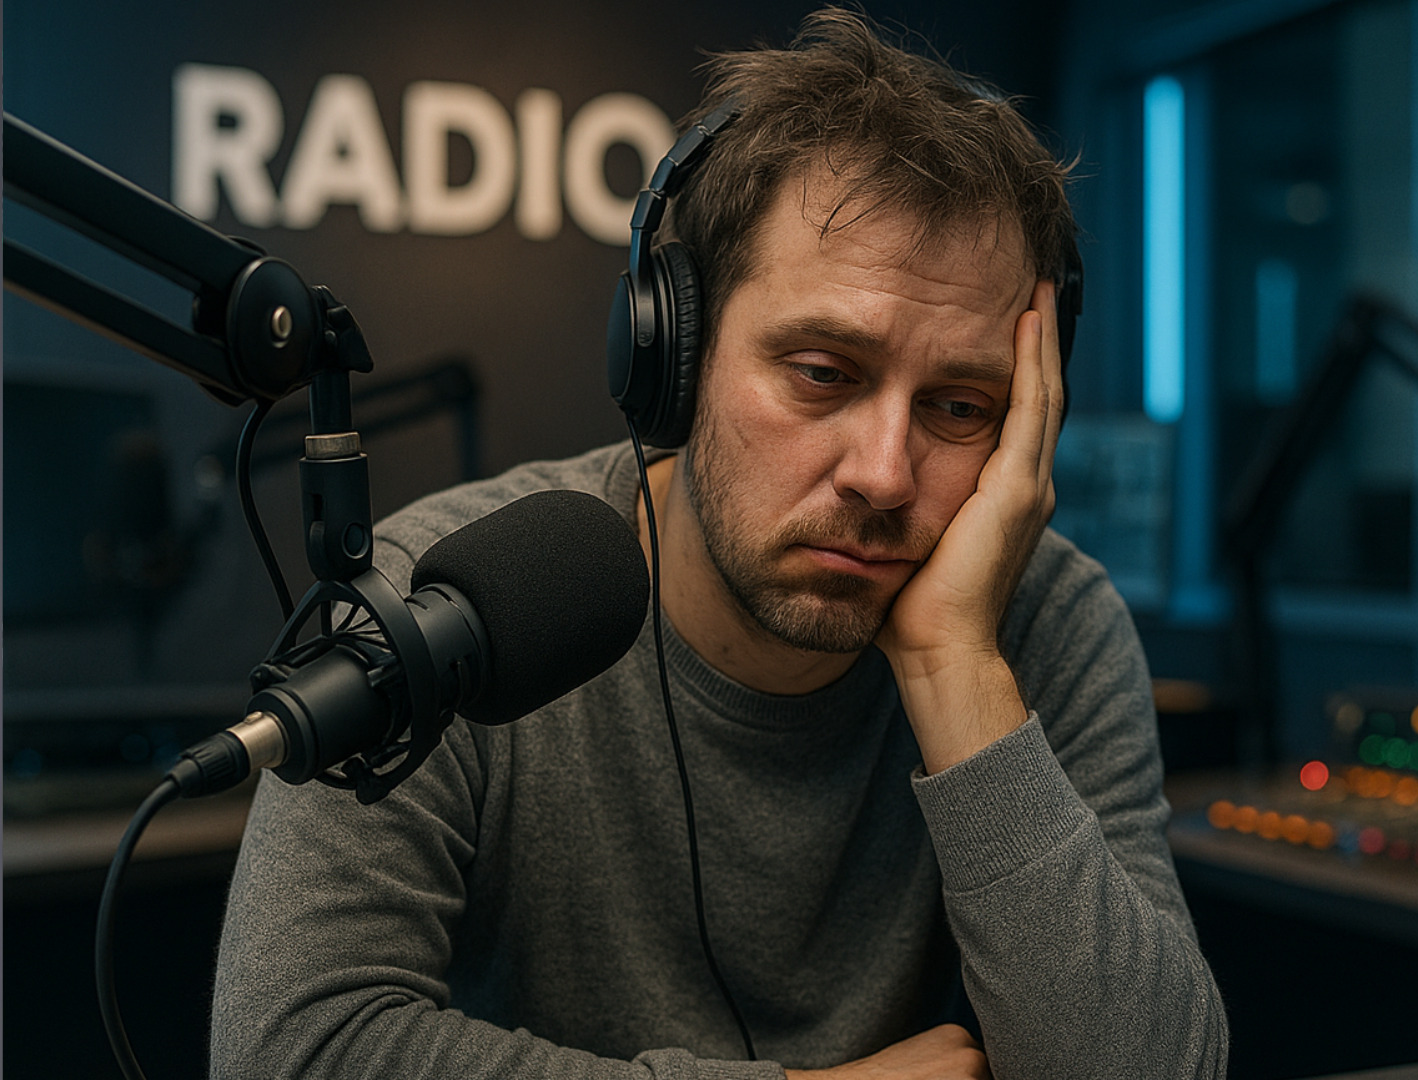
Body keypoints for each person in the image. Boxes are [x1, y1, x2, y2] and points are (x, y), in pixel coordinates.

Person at [210, 9, 1228, 1078]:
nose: (885, 473)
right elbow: (289, 1051)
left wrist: (954, 666)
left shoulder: (1048, 624)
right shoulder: (435, 607)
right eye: (823, 374)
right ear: (674, 357)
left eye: (962, 407)